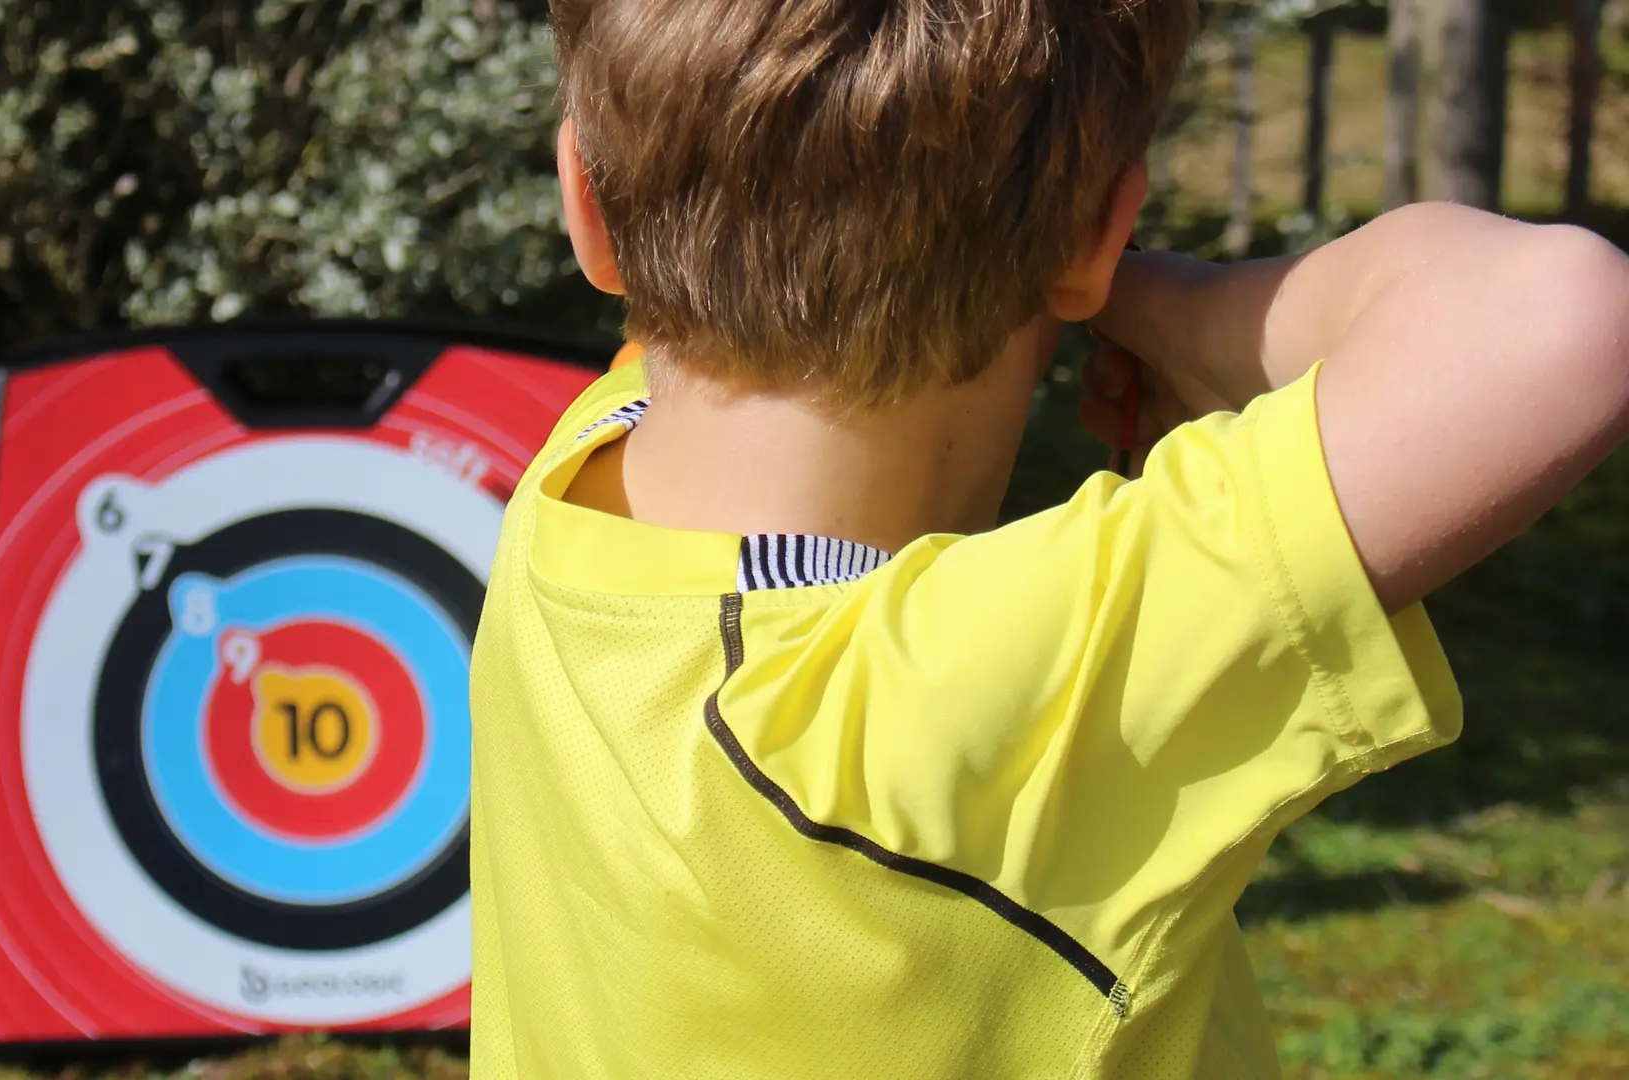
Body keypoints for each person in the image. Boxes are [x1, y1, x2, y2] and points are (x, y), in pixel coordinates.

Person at [467, 1, 1629, 1076]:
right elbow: (1560, 315)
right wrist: (1166, 303)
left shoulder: (576, 484)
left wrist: (1059, 245)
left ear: (586, 204)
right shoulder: (958, 706)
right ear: (1100, 233)